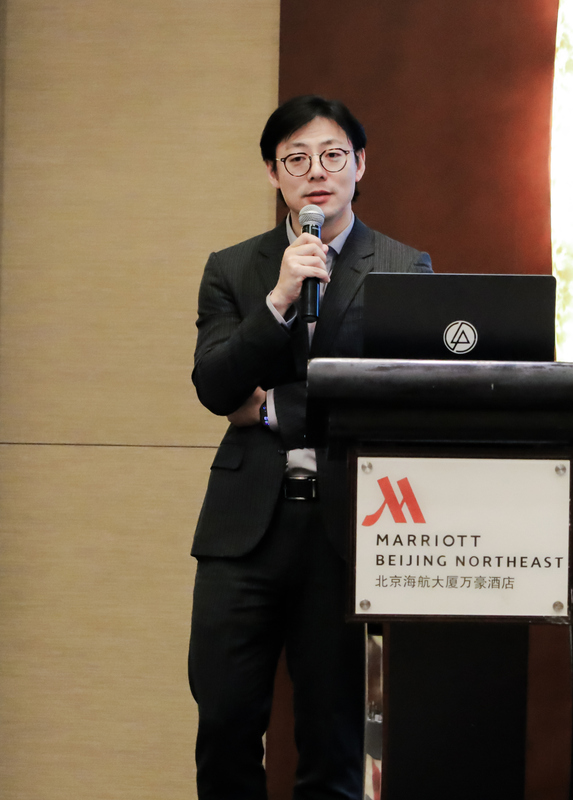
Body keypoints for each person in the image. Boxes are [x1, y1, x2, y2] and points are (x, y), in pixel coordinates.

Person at [188, 95, 432, 800]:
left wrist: (275, 408)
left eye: (331, 155)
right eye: (296, 159)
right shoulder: (235, 268)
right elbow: (215, 386)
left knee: (334, 736)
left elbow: (399, 395)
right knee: (225, 722)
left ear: (360, 164)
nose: (315, 172)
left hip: (347, 528)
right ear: (274, 174)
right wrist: (278, 300)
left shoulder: (404, 267)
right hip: (244, 531)